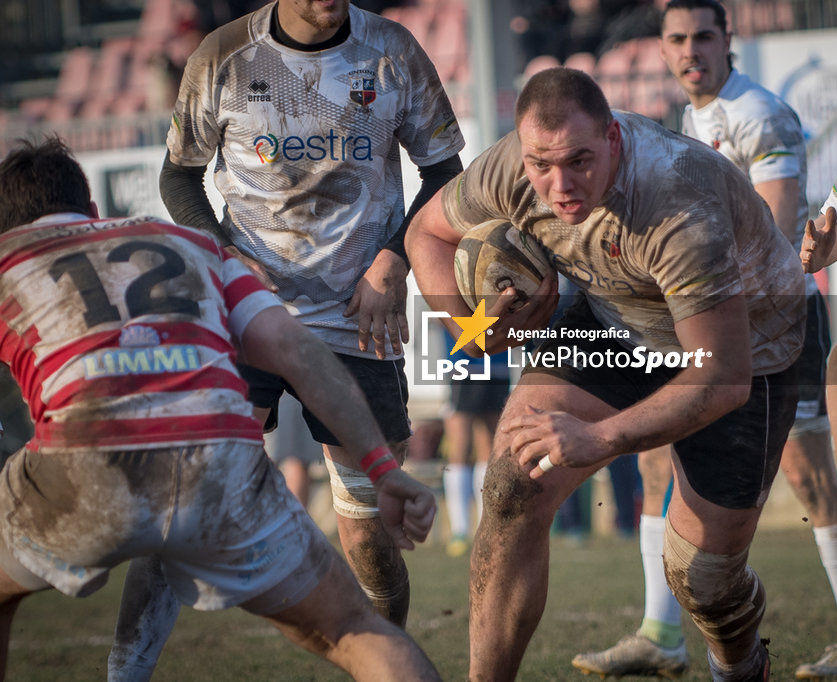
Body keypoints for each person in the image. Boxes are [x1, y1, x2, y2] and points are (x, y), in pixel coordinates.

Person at [407, 66, 806, 681]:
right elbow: (426, 235)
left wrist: (602, 438)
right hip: (616, 325)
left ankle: (741, 666)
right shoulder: (510, 167)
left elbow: (723, 377)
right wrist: (474, 329)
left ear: (614, 138)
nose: (559, 185)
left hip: (746, 348)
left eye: (580, 161)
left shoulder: (675, 201)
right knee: (514, 484)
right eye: (542, 164)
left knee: (703, 581)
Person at [107, 0, 466, 675]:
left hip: (360, 314)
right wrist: (223, 257)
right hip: (251, 313)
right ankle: (124, 674)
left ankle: (380, 666)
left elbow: (446, 171)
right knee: (187, 493)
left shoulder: (391, 49)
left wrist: (394, 258)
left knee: (367, 522)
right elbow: (178, 174)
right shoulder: (222, 55)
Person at [0, 138, 440, 680]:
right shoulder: (194, 246)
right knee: (355, 630)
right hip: (221, 461)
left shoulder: (9, 260)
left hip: (85, 464)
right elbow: (297, 350)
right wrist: (380, 468)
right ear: (92, 210)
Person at [572, 2, 837, 678]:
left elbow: (774, 233)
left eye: (704, 38)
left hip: (776, 323)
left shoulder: (760, 114)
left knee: (807, 473)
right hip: (713, 320)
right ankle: (661, 633)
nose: (691, 52)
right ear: (662, 47)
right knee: (657, 456)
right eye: (678, 40)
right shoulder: (695, 117)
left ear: (728, 40)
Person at [441, 332, 510, 557]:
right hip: (464, 363)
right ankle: (459, 530)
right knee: (460, 445)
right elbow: (436, 312)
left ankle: (486, 528)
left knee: (490, 447)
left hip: (498, 363)